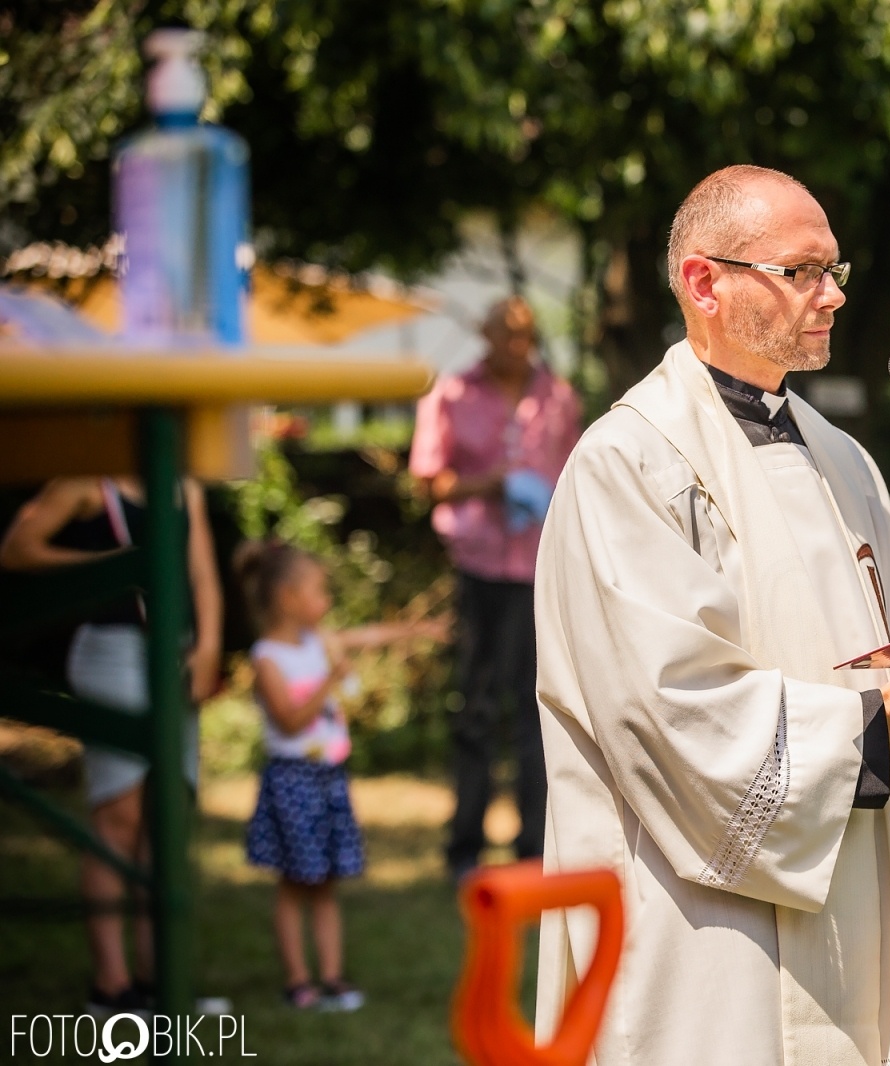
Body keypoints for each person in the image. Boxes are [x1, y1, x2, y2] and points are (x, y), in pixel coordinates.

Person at [533, 165, 890, 1066]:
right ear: (704, 282)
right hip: (705, 931)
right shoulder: (627, 466)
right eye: (802, 271)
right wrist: (880, 723)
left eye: (836, 269)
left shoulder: (845, 460)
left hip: (867, 892)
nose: (833, 295)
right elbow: (670, 709)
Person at [0, 476, 222, 1015]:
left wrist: (210, 648)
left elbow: (202, 576)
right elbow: (16, 548)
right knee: (119, 818)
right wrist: (101, 566)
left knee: (164, 822)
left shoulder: (183, 487)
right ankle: (111, 987)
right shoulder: (84, 486)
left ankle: (158, 983)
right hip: (112, 653)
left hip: (175, 653)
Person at [408, 296, 581, 880]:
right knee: (475, 709)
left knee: (540, 710)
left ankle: (535, 850)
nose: (517, 345)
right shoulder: (453, 394)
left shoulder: (559, 397)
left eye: (526, 335)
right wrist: (492, 484)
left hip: (540, 572)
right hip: (480, 569)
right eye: (506, 334)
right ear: (486, 334)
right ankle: (464, 851)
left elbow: (578, 481)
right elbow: (429, 482)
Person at [233, 538, 445, 1010]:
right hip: (292, 782)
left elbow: (368, 636)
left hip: (328, 781)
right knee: (293, 884)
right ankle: (297, 980)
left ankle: (331, 976)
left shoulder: (319, 643)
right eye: (318, 591)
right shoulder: (267, 658)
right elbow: (289, 720)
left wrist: (420, 629)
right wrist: (330, 680)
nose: (326, 601)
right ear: (288, 598)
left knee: (326, 882)